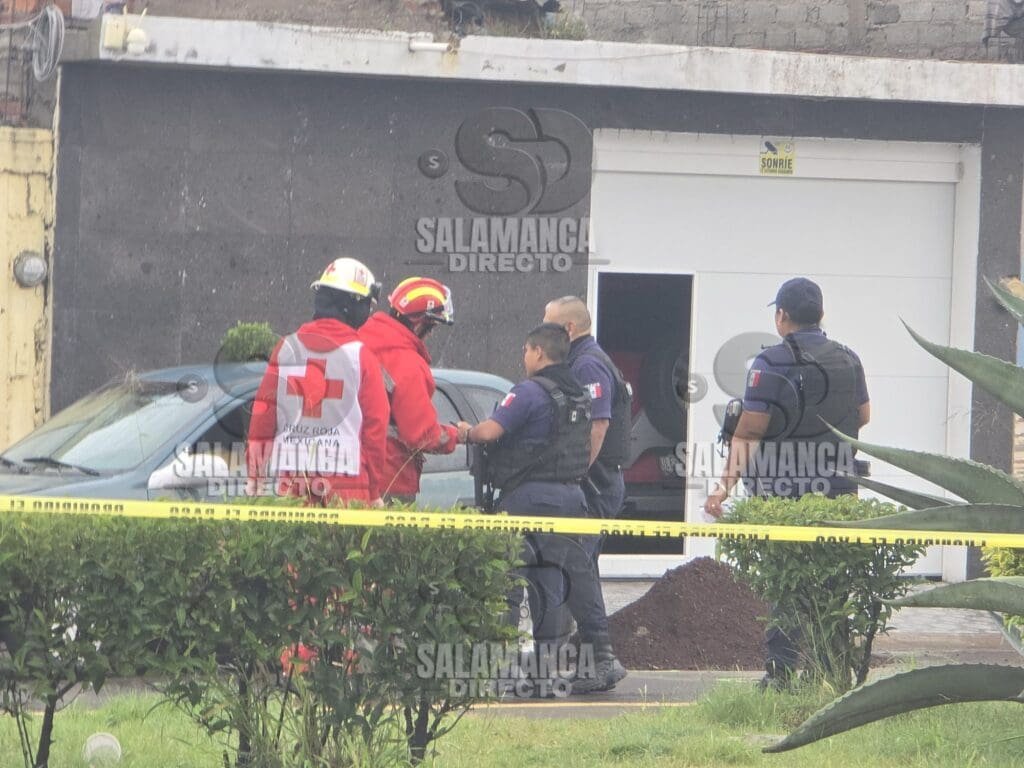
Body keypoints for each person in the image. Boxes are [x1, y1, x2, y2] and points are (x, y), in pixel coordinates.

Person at [703, 276, 870, 687]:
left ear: (781, 316)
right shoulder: (848, 359)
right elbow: (863, 416)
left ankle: (779, 675)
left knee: (786, 580)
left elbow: (748, 432)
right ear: (821, 314)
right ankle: (829, 670)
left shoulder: (770, 363)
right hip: (838, 489)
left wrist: (723, 487)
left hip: (782, 491)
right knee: (833, 580)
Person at [457, 323, 627, 694]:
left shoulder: (530, 392)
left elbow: (489, 432)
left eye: (525, 351)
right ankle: (560, 670)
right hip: (571, 499)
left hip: (527, 500)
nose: (524, 357)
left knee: (508, 581)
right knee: (555, 585)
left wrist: (465, 431)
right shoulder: (579, 393)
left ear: (537, 352)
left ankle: (498, 670)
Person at [247, 257, 390, 506]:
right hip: (347, 486)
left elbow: (263, 415)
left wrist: (255, 475)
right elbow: (375, 427)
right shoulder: (361, 356)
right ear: (352, 304)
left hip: (293, 483)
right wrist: (374, 489)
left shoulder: (286, 348)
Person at [358, 276, 461, 503]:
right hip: (389, 478)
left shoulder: (358, 341)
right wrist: (459, 434)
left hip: (347, 475)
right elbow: (422, 436)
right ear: (419, 323)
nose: (431, 334)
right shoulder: (408, 364)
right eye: (431, 326)